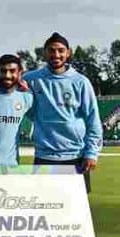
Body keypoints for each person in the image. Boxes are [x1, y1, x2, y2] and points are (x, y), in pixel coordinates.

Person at [24, 32, 102, 191]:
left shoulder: (81, 82)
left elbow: (93, 120)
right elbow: (7, 83)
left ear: (68, 52)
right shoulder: (31, 79)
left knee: (77, 211)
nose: (56, 55)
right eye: (51, 50)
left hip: (75, 156)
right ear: (44, 53)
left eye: (60, 50)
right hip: (44, 156)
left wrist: (92, 153)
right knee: (42, 207)